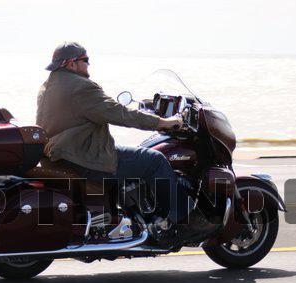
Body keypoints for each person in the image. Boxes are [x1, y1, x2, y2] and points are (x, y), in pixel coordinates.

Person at [36, 42, 188, 240]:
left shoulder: (48, 86)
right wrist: (162, 122)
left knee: (132, 157)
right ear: (71, 64)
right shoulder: (80, 87)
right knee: (155, 160)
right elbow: (118, 113)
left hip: (60, 155)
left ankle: (131, 217)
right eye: (85, 60)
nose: (88, 64)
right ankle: (182, 223)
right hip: (82, 156)